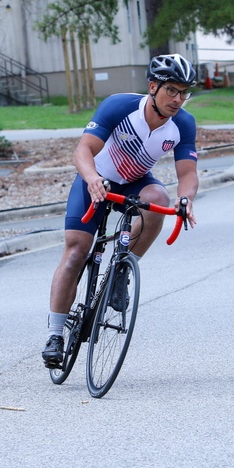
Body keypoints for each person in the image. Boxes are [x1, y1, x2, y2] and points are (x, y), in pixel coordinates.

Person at [42, 54, 200, 368]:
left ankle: (122, 270)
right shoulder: (120, 106)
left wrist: (186, 199)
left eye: (184, 92)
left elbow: (188, 174)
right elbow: (83, 150)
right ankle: (56, 334)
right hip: (96, 179)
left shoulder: (183, 123)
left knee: (159, 196)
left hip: (134, 182)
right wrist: (91, 179)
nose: (178, 99)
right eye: (172, 90)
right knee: (76, 252)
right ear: (153, 87)